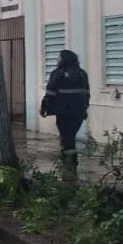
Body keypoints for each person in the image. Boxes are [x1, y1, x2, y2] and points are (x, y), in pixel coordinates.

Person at [40, 49, 91, 177]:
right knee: (69, 136)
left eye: (59, 58)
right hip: (78, 112)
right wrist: (85, 108)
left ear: (64, 59)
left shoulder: (58, 73)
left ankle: (69, 167)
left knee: (67, 138)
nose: (57, 60)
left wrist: (43, 107)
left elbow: (50, 93)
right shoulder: (82, 74)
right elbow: (86, 93)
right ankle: (69, 164)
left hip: (63, 111)